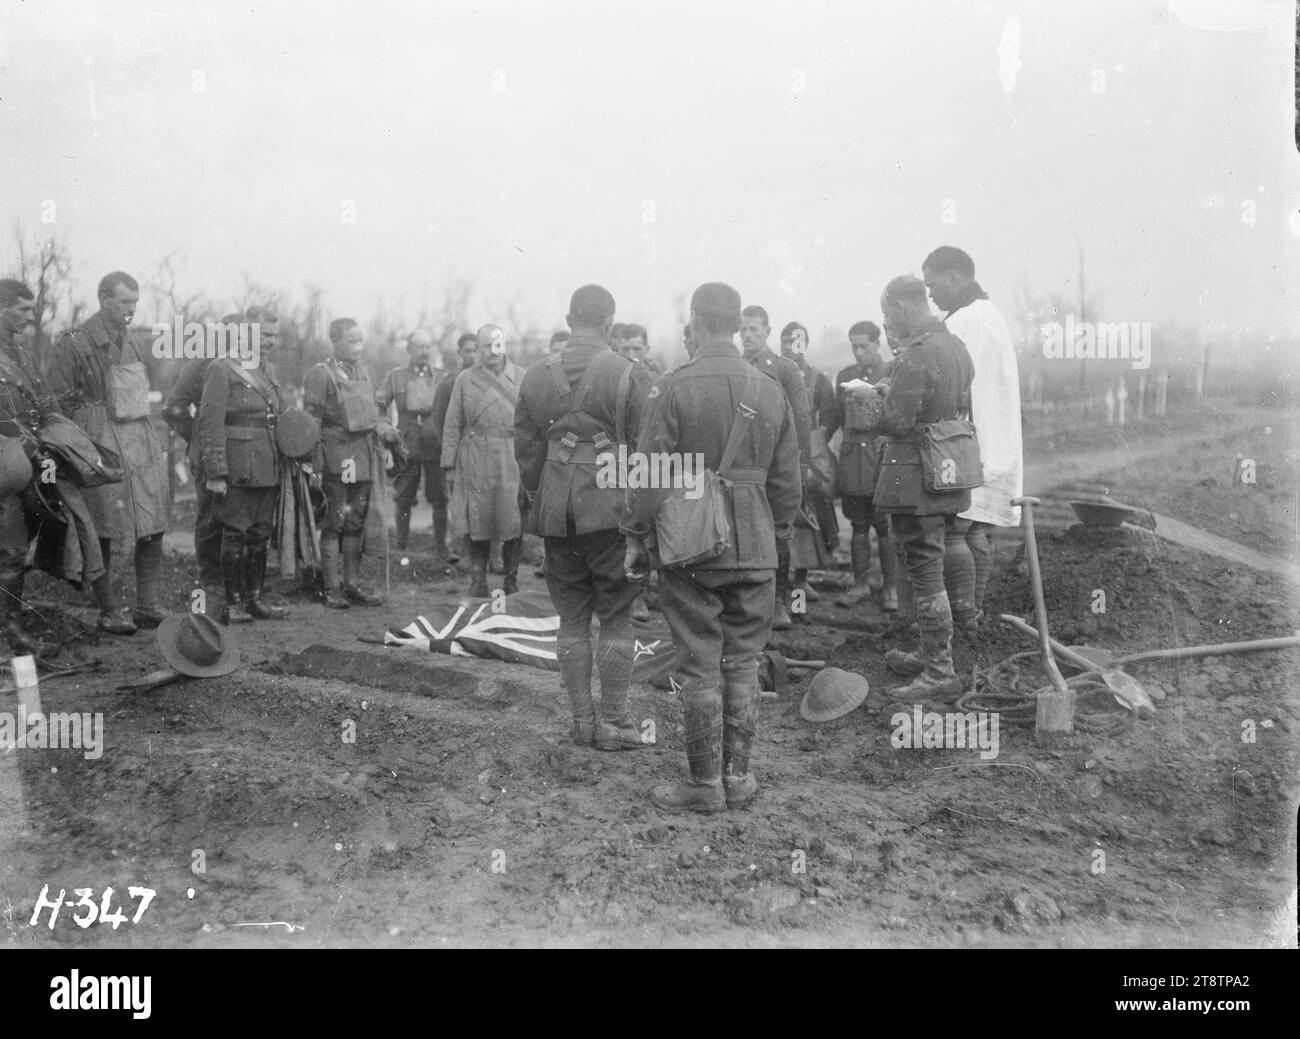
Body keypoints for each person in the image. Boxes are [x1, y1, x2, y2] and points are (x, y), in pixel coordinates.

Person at [623, 283, 801, 813]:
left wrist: (636, 535)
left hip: (694, 547)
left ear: (696, 323)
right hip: (757, 544)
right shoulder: (770, 388)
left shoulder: (672, 387)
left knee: (699, 663)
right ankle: (739, 780)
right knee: (745, 663)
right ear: (733, 323)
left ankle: (703, 787)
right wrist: (777, 533)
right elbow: (789, 481)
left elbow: (650, 475)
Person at [515, 284, 652, 749]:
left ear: (570, 318)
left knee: (571, 617)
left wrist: (543, 497)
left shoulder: (534, 375)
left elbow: (527, 450)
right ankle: (614, 723)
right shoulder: (630, 374)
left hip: (557, 512)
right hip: (611, 510)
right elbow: (647, 450)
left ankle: (582, 722)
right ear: (610, 322)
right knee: (615, 614)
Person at [46, 271, 171, 634]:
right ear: (103, 299)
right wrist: (75, 447)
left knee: (153, 521)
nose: (131, 309)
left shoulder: (132, 341)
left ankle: (147, 604)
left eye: (135, 301)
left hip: (138, 439)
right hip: (97, 440)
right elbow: (55, 400)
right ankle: (108, 610)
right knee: (101, 526)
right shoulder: (74, 342)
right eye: (124, 302)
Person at [871, 276, 975, 702]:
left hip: (915, 474)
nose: (889, 322)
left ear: (899, 308)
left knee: (924, 565)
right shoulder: (956, 348)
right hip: (948, 468)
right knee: (931, 557)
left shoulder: (916, 355)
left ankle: (938, 670)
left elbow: (895, 421)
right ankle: (932, 653)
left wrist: (874, 402)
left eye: (888, 313)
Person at [922, 246, 1023, 631]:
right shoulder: (991, 314)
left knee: (957, 528)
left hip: (971, 441)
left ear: (954, 276)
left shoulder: (965, 321)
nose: (931, 295)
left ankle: (963, 619)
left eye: (933, 285)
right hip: (998, 439)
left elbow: (946, 380)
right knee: (978, 526)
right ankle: (974, 614)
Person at [195, 305, 291, 624]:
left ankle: (255, 598)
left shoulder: (269, 370)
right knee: (234, 532)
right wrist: (216, 472)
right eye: (265, 334)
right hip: (237, 465)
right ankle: (234, 602)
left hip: (267, 461)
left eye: (275, 335)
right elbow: (210, 421)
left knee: (261, 532)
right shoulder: (222, 368)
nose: (271, 341)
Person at [303, 317, 397, 608]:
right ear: (335, 341)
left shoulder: (364, 372)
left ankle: (352, 583)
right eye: (351, 341)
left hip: (363, 456)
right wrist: (315, 465)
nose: (358, 347)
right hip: (335, 457)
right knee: (334, 522)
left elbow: (375, 414)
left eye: (360, 340)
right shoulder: (321, 374)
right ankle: (332, 588)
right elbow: (311, 423)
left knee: (355, 522)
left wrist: (385, 440)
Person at [0, 279, 62, 656]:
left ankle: (10, 628)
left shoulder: (22, 356)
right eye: (22, 309)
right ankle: (8, 637)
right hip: (6, 464)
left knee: (16, 547)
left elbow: (46, 400)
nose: (30, 316)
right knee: (8, 548)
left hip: (24, 463)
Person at [739, 305, 810, 631]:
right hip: (744, 464)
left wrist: (800, 468)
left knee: (781, 534)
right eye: (744, 330)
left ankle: (781, 601)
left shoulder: (785, 369)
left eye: (755, 329)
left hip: (776, 466)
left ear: (767, 331)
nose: (748, 335)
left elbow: (800, 422)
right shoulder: (735, 367)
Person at [441, 324, 524, 597]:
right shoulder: (465, 379)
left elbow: (531, 423)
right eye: (485, 346)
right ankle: (478, 580)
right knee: (478, 519)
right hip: (475, 456)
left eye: (497, 344)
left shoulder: (521, 377)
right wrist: (449, 466)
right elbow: (453, 423)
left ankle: (511, 580)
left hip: (510, 456)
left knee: (512, 519)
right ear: (478, 349)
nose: (492, 351)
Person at [162, 313, 242, 596]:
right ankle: (210, 577)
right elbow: (173, 407)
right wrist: (195, 435)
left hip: (242, 452)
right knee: (211, 515)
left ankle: (237, 578)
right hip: (210, 451)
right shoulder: (203, 364)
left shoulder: (250, 365)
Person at [833, 320, 897, 611]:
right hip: (853, 459)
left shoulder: (891, 373)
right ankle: (860, 585)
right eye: (854, 346)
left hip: (882, 457)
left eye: (864, 346)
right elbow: (836, 417)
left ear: (877, 343)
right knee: (858, 524)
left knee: (884, 526)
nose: (858, 352)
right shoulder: (845, 376)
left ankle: (891, 589)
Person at [779, 320, 838, 613]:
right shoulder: (771, 373)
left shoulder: (818, 380)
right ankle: (784, 590)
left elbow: (830, 416)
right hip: (778, 456)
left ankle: (798, 591)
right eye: (786, 342)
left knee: (805, 530)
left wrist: (814, 441)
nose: (791, 348)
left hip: (805, 462)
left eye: (797, 342)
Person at [377, 329, 447, 558]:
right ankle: (401, 545)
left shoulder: (441, 377)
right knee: (404, 495)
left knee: (439, 496)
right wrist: (386, 428)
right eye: (418, 347)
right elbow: (378, 404)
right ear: (409, 350)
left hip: (435, 442)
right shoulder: (397, 376)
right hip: (407, 444)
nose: (423, 352)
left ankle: (441, 547)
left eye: (427, 347)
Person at [431, 331, 478, 568]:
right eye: (467, 350)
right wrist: (450, 454)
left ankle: (488, 555)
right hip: (458, 454)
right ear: (459, 353)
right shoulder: (449, 383)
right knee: (458, 503)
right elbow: (440, 422)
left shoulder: (488, 381)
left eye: (475, 350)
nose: (472, 355)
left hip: (483, 454)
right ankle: (460, 550)